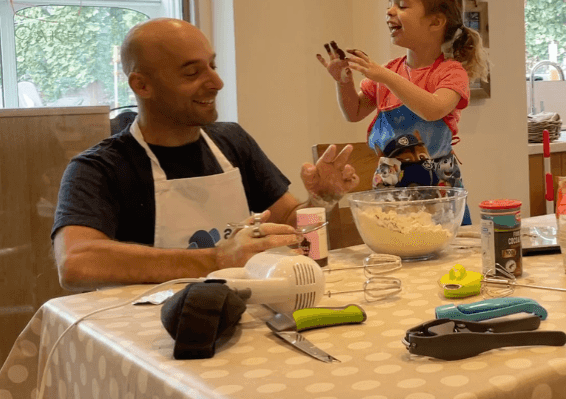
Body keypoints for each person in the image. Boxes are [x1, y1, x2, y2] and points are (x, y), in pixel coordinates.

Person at [52, 18, 359, 291]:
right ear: (142, 85)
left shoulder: (232, 142)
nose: (217, 83)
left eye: (213, 66)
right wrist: (216, 259)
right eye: (192, 73)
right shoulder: (98, 168)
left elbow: (289, 226)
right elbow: (75, 262)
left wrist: (321, 201)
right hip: (148, 327)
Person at [316, 0, 486, 223]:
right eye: (390, 3)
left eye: (402, 5)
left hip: (438, 191)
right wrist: (343, 81)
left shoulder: (450, 72)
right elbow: (354, 112)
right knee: (397, 240)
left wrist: (385, 77)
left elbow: (433, 109)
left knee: (443, 244)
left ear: (436, 21)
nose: (389, 11)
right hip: (391, 187)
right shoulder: (388, 72)